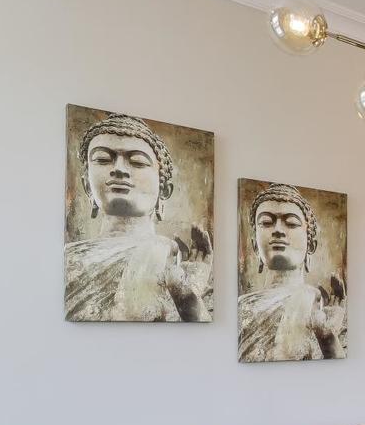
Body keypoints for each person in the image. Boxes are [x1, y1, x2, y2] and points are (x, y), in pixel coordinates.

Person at [64, 113, 210, 321]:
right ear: (87, 186)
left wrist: (190, 289)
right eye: (103, 160)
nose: (119, 169)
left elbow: (201, 338)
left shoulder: (168, 256)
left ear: (164, 190)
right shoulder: (68, 258)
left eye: (138, 162)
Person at [238, 184, 344, 361]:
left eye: (292, 223)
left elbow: (341, 375)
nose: (278, 230)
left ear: (311, 245)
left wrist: (329, 339)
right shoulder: (240, 306)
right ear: (255, 245)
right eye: (266, 222)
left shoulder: (328, 312)